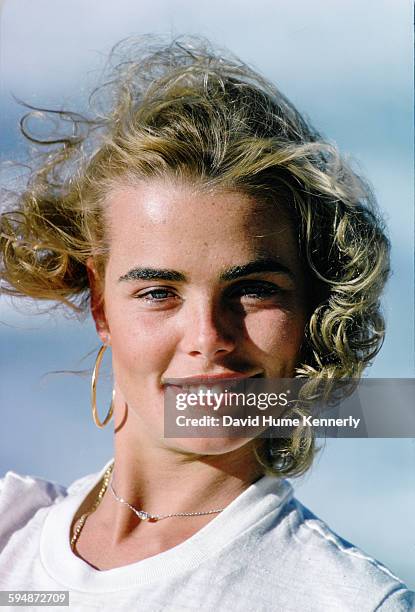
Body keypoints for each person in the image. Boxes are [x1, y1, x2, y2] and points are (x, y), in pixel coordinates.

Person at [0, 37, 413, 611]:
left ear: (311, 311)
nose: (208, 338)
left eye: (253, 290)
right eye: (158, 292)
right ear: (100, 307)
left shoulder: (346, 600)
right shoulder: (10, 532)